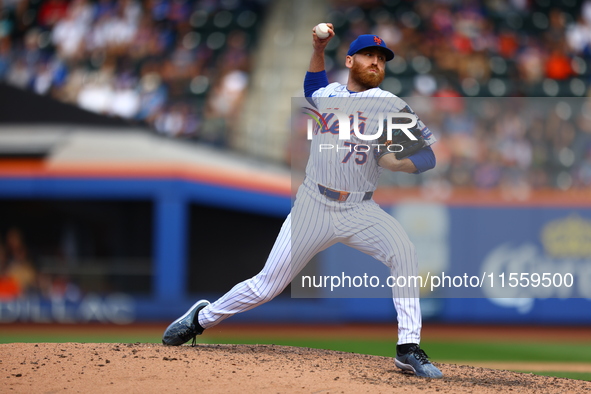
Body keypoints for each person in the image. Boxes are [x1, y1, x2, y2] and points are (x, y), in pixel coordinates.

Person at [162, 25, 443, 379]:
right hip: (314, 203)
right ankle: (201, 318)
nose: (376, 62)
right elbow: (312, 86)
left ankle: (407, 349)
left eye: (382, 58)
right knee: (267, 285)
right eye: (369, 55)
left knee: (404, 252)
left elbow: (427, 157)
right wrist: (317, 48)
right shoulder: (329, 95)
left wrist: (395, 163)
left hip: (360, 208)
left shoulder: (390, 106)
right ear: (351, 60)